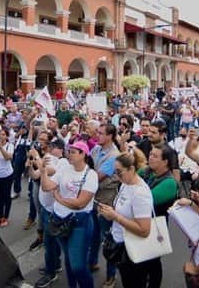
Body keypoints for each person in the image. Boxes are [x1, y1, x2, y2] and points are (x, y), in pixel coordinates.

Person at [40, 141, 98, 288]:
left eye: (73, 152)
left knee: (78, 265)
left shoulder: (91, 175)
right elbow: (47, 187)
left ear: (83, 154)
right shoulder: (65, 170)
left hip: (79, 223)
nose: (69, 154)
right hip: (60, 221)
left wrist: (59, 199)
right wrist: (42, 171)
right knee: (69, 260)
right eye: (68, 151)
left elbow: (80, 203)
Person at [98, 153, 154, 288]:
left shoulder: (140, 193)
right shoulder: (125, 184)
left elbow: (144, 230)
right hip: (122, 245)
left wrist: (115, 216)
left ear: (132, 169)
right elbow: (124, 211)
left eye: (119, 172)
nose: (116, 176)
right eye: (115, 172)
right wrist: (109, 212)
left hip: (133, 250)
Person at [137, 146, 179, 287]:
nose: (150, 158)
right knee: (138, 262)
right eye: (150, 154)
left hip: (155, 228)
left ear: (165, 161)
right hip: (138, 224)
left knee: (151, 262)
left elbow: (146, 201)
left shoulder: (169, 183)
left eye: (155, 156)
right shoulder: (146, 171)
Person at [88, 123, 120, 287]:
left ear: (110, 136)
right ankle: (92, 262)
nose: (97, 135)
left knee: (109, 239)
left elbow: (96, 177)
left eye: (100, 133)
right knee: (94, 235)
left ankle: (111, 275)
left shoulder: (114, 155)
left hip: (105, 203)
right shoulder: (95, 150)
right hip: (94, 200)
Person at [33, 139, 68, 288]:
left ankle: (50, 272)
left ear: (60, 150)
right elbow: (35, 175)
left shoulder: (63, 162)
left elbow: (49, 172)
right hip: (46, 208)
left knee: (49, 243)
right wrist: (31, 163)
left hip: (55, 211)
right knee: (52, 242)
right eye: (49, 147)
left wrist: (37, 158)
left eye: (52, 147)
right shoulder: (48, 159)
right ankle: (55, 264)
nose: (49, 150)